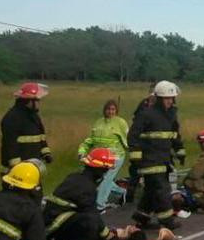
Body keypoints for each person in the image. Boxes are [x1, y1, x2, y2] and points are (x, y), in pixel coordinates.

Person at [127, 80, 185, 230]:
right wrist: (136, 157)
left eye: (172, 98)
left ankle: (142, 216)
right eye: (167, 98)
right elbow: (133, 136)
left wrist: (180, 151)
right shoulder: (146, 114)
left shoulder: (170, 116)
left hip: (164, 159)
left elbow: (175, 135)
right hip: (149, 161)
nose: (170, 101)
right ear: (159, 99)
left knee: (152, 190)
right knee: (161, 190)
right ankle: (167, 220)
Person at [43, 148, 117, 240]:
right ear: (100, 169)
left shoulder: (75, 177)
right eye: (105, 170)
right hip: (52, 225)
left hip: (51, 220)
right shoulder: (87, 187)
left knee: (83, 218)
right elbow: (93, 215)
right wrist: (108, 236)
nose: (105, 174)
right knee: (89, 222)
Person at [77, 99, 130, 209]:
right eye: (108, 109)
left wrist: (135, 151)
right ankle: (121, 192)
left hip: (115, 156)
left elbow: (128, 139)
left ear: (116, 111)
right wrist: (82, 152)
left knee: (106, 178)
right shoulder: (98, 122)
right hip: (100, 157)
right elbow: (90, 140)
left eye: (113, 109)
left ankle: (99, 205)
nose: (110, 112)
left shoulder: (120, 122)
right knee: (99, 178)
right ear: (104, 110)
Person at [0, 82, 52, 176]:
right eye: (36, 101)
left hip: (32, 167)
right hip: (15, 171)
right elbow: (10, 145)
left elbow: (41, 137)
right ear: (28, 101)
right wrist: (17, 167)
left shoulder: (34, 116)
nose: (38, 103)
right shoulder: (12, 117)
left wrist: (46, 153)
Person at [126, 84, 156, 202]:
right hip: (139, 146)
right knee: (135, 172)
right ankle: (129, 197)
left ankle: (149, 197)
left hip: (152, 147)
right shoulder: (143, 104)